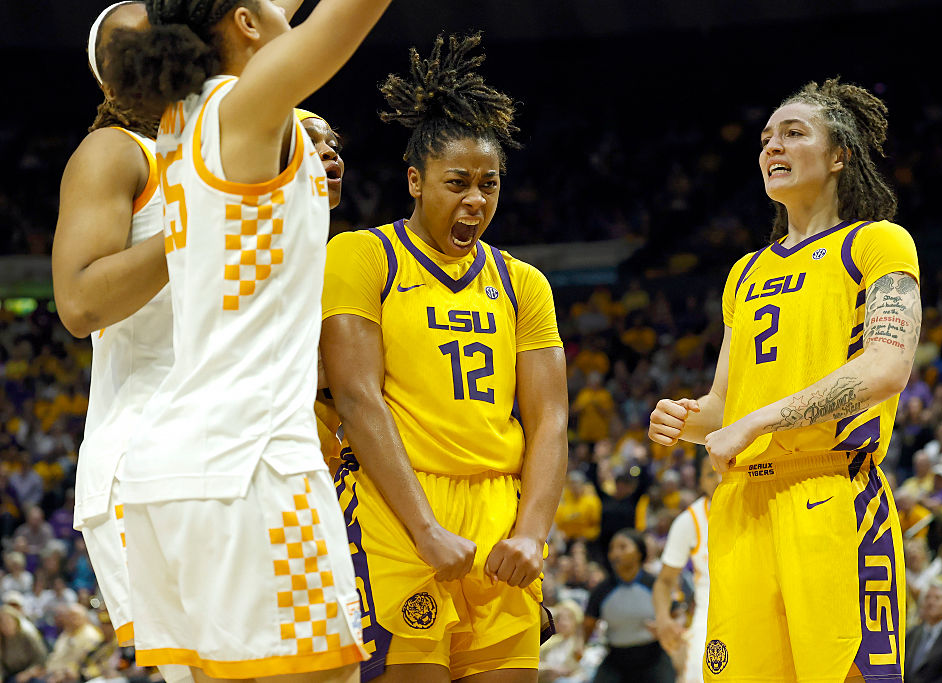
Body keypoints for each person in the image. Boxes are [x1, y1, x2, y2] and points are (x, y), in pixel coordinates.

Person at [99, 0, 390, 679]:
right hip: (251, 468)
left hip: (175, 472)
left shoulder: (184, 118)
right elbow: (341, 19)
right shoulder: (245, 104)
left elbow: (265, 10)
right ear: (245, 25)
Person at [649, 78, 921, 681]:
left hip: (830, 497)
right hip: (744, 508)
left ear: (838, 156)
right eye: (767, 136)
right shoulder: (745, 272)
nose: (773, 145)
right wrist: (687, 419)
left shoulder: (876, 243)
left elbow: (887, 366)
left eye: (794, 133)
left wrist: (757, 421)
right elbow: (726, 407)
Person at [320, 32, 568, 682]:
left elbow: (550, 420)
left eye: (489, 185)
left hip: (497, 511)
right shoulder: (362, 256)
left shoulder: (523, 283)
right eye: (457, 183)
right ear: (415, 179)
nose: (475, 200)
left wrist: (533, 532)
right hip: (393, 506)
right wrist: (426, 528)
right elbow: (356, 396)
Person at [51, 1, 170, 661]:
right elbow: (77, 304)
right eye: (131, 46)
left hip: (228, 439)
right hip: (145, 453)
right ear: (107, 78)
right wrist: (192, 220)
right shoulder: (114, 151)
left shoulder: (221, 152)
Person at [651, 453, 720, 683]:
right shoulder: (690, 519)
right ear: (700, 481)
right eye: (710, 473)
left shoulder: (758, 502)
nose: (719, 477)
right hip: (709, 617)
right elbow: (664, 581)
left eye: (724, 468)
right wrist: (663, 619)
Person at [583, 529, 675, 683]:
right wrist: (580, 645)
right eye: (612, 549)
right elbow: (587, 625)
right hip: (616, 659)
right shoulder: (602, 589)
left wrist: (664, 627)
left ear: (639, 553)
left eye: (622, 547)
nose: (615, 554)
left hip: (654, 658)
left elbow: (677, 614)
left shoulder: (654, 584)